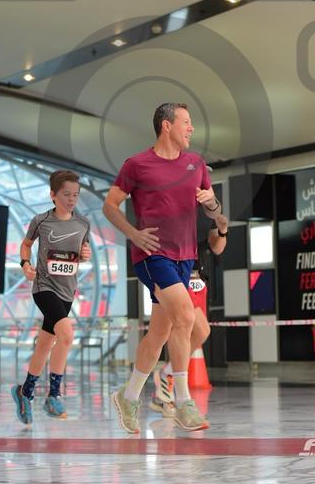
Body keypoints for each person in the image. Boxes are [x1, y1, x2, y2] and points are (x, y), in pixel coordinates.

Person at [103, 102, 222, 433]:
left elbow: (214, 210)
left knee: (159, 332)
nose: (191, 128)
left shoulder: (196, 164)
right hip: (152, 254)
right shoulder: (137, 164)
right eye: (186, 122)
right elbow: (110, 205)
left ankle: (128, 396)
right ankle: (182, 401)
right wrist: (133, 234)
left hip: (185, 257)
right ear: (166, 125)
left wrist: (212, 205)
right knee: (185, 316)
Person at [11, 169, 91, 424]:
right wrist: (25, 264)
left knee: (45, 343)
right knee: (66, 334)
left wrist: (85, 255)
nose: (72, 199)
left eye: (75, 195)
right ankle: (53, 395)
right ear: (53, 195)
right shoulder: (41, 221)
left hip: (68, 291)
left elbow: (82, 251)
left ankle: (25, 392)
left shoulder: (83, 224)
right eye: (66, 194)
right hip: (44, 287)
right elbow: (26, 244)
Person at [151, 211, 228, 413]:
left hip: (197, 279)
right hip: (174, 275)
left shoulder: (206, 208)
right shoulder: (169, 206)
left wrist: (222, 230)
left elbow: (217, 247)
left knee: (197, 333)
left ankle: (166, 377)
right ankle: (172, 388)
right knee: (188, 331)